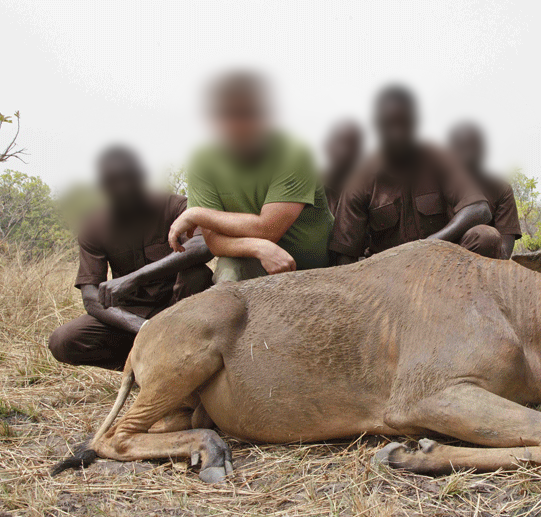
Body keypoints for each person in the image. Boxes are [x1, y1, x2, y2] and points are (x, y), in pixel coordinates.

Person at [48, 147, 214, 371]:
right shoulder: (94, 226)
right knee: (64, 340)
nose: (123, 188)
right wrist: (145, 328)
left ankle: (189, 363)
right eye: (113, 182)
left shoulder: (175, 206)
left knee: (196, 273)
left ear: (141, 178)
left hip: (180, 309)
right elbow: (90, 295)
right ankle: (142, 370)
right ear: (103, 187)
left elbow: (204, 244)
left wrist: (134, 278)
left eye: (129, 179)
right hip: (131, 319)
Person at [169, 71, 334, 282]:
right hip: (252, 259)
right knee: (229, 275)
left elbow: (268, 229)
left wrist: (197, 215)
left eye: (249, 112)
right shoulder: (202, 162)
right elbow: (213, 240)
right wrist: (257, 247)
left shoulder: (295, 154)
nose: (238, 123)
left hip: (310, 272)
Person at [330, 85, 502, 265]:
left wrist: (426, 246)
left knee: (485, 237)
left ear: (415, 123)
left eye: (404, 123)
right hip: (387, 273)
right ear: (378, 126)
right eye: (390, 125)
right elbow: (345, 252)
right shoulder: (361, 178)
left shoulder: (438, 157)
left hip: (441, 261)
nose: (397, 133)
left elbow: (479, 209)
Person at [448, 121, 521, 259]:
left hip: (480, 266)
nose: (469, 156)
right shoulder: (436, 184)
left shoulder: (500, 189)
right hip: (434, 259)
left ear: (484, 151)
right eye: (461, 148)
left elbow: (504, 250)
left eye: (474, 148)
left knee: (486, 237)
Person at [323, 119, 363, 215]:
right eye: (339, 142)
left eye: (352, 144)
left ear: (360, 151)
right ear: (327, 146)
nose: (344, 151)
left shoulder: (368, 191)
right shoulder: (311, 186)